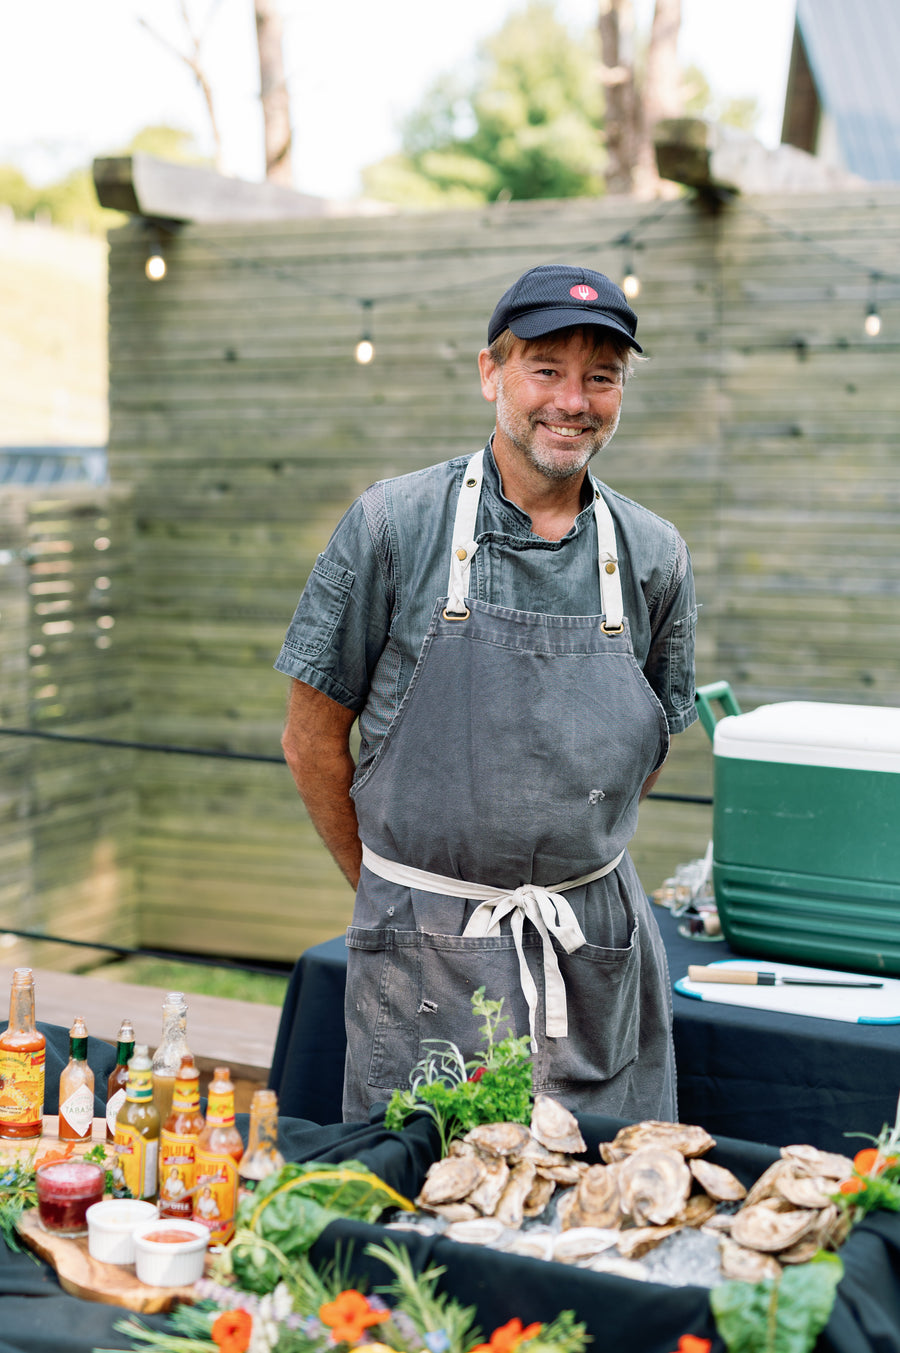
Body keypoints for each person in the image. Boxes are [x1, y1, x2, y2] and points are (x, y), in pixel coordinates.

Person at [276, 263, 698, 1123]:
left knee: (604, 1217)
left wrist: (567, 849)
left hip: (591, 955)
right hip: (423, 959)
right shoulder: (394, 526)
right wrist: (390, 889)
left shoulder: (655, 556)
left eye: (601, 377)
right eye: (547, 368)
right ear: (490, 372)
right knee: (424, 1217)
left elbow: (643, 745)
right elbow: (311, 739)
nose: (573, 400)